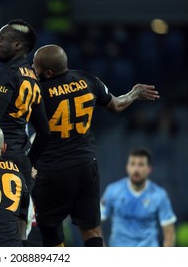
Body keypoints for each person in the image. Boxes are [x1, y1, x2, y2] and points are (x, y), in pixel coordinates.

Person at [30, 44, 160, 247]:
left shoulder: (36, 91)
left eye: (34, 65)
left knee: (51, 231)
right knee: (91, 229)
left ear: (48, 72)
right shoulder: (87, 79)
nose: (31, 68)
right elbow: (116, 105)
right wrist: (134, 94)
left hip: (52, 169)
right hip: (85, 166)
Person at [0, 19, 51, 190]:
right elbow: (44, 132)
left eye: (1, 38)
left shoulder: (6, 75)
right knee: (19, 217)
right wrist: (28, 162)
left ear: (18, 46)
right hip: (19, 163)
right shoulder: (33, 78)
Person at [100, 147, 176, 247]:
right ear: (127, 167)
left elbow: (169, 233)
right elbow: (96, 223)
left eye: (141, 165)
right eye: (133, 164)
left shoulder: (159, 195)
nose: (136, 169)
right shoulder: (112, 191)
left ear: (149, 169)